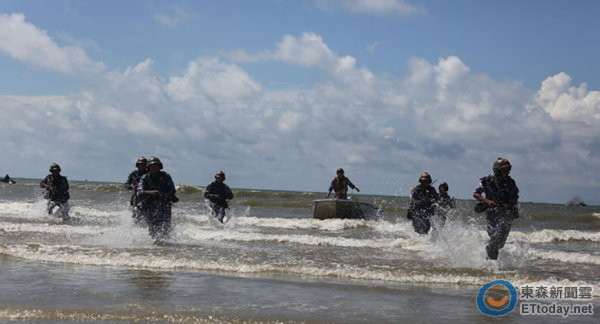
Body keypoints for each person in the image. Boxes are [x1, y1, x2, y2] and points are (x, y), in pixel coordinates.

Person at [473, 157, 519, 260]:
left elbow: (515, 198)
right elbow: (476, 194)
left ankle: (490, 259)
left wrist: (510, 207)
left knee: (500, 243)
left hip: (506, 214)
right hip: (492, 213)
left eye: (508, 169)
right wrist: (487, 201)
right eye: (505, 170)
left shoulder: (511, 183)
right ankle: (491, 264)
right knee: (494, 238)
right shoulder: (486, 181)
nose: (507, 172)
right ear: (497, 170)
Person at [136, 157, 178, 239]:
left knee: (166, 228)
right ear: (148, 167)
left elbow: (172, 190)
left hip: (164, 205)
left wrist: (164, 195)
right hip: (149, 206)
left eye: (156, 166)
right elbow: (139, 192)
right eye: (152, 166)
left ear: (160, 167)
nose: (155, 168)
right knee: (153, 230)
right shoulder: (144, 178)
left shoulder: (166, 176)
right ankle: (155, 248)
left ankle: (165, 247)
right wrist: (151, 192)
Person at [124, 157, 147, 223]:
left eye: (143, 164)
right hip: (136, 198)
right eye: (140, 165)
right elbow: (126, 184)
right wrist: (132, 187)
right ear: (137, 165)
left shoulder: (149, 173)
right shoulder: (133, 174)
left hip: (147, 197)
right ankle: (135, 230)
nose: (141, 166)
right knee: (136, 217)